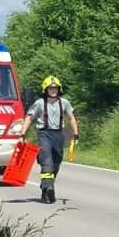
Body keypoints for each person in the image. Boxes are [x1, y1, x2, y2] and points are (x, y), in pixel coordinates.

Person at [29, 75, 78, 204]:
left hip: (58, 135)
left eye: (55, 88)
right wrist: (22, 133)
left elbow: (71, 118)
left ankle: (46, 187)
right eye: (50, 88)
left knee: (56, 163)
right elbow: (29, 118)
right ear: (45, 89)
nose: (53, 90)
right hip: (44, 134)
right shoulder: (39, 103)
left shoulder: (65, 102)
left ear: (59, 89)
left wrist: (75, 133)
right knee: (46, 161)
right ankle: (48, 187)